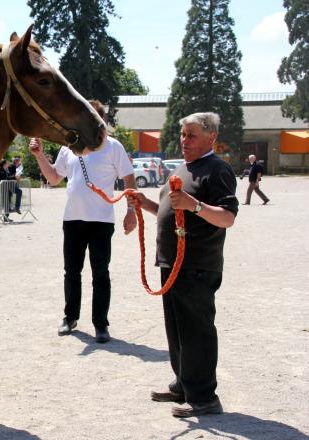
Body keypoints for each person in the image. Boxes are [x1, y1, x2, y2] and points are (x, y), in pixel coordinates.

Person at [128, 112, 238, 418]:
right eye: (182, 135)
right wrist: (145, 203)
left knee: (197, 331)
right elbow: (169, 210)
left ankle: (204, 398)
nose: (183, 140)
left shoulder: (217, 170)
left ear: (210, 137)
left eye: (190, 135)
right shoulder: (183, 169)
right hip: (173, 263)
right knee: (176, 329)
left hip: (198, 264)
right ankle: (183, 385)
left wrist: (196, 205)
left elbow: (227, 217)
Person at [29, 100, 137, 343]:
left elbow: (129, 181)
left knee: (101, 273)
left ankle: (101, 324)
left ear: (100, 122)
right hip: (73, 219)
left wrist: (131, 211)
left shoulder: (113, 147)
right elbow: (54, 178)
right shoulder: (68, 148)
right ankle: (70, 317)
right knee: (71, 272)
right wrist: (39, 156)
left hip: (101, 221)